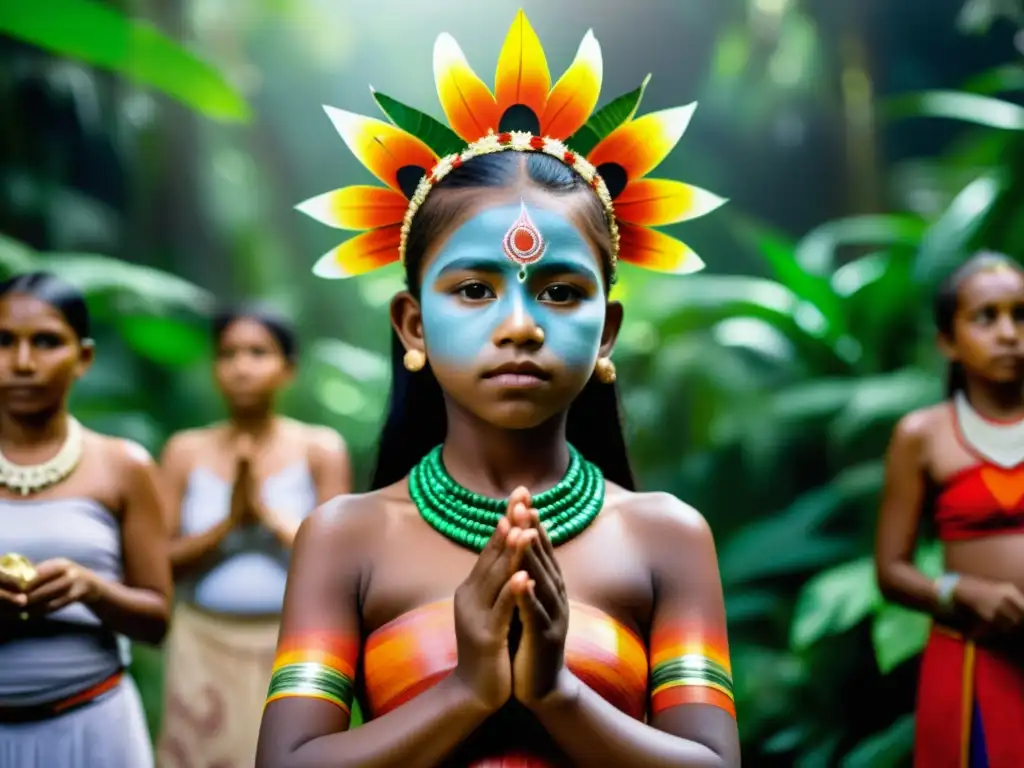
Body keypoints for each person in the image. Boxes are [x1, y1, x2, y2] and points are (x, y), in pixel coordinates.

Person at [257, 11, 739, 768]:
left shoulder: (667, 537)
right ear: (412, 325)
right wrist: (469, 691)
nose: (520, 326)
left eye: (560, 292)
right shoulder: (344, 539)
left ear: (607, 332)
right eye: (476, 291)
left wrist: (556, 693)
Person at [155, 305, 351, 768]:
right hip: (200, 643)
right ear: (214, 367)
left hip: (291, 646)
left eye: (258, 352)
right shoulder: (184, 451)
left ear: (288, 368)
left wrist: (262, 515)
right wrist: (228, 526)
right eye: (229, 354)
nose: (242, 366)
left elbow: (339, 561)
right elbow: (158, 560)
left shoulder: (319, 448)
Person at [0, 271, 171, 767]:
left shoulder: (123, 466)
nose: (23, 363)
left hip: (94, 729)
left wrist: (91, 589)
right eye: (5, 341)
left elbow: (157, 620)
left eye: (47, 342)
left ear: (84, 358)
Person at [875, 252, 1024, 768]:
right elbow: (891, 572)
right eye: (987, 317)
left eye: (1021, 315)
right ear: (947, 340)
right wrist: (962, 592)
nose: (1009, 333)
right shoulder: (921, 436)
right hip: (971, 664)